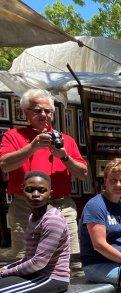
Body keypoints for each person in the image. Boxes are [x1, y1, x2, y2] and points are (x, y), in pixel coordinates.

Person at [0, 89, 88, 259]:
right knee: (24, 258)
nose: (44, 114)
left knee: (70, 258)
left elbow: (83, 174)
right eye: (37, 110)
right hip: (26, 207)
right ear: (25, 112)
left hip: (62, 206)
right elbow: (4, 165)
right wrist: (31, 147)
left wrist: (64, 156)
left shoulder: (66, 140)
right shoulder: (13, 136)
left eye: (48, 111)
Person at [1, 171, 77, 293]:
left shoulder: (52, 219)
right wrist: (6, 268)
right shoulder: (33, 216)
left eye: (41, 190)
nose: (35, 194)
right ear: (23, 190)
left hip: (53, 278)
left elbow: (38, 262)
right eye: (30, 190)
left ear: (51, 192)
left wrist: (6, 272)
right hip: (37, 274)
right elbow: (30, 256)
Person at [80, 158, 121, 285]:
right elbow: (99, 245)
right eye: (113, 180)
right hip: (98, 265)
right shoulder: (95, 205)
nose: (118, 185)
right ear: (105, 180)